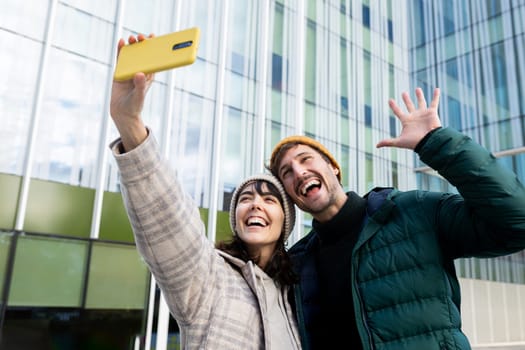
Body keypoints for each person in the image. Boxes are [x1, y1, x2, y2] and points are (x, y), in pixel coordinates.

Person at [267, 87, 525, 350]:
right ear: (289, 193)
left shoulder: (413, 211)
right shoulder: (297, 264)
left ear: (333, 166)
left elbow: (517, 223)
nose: (299, 172)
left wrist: (437, 142)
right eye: (287, 172)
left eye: (305, 159)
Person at [108, 34, 302, 349]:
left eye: (269, 199)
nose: (255, 205)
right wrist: (128, 122)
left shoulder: (299, 298)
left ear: (286, 222)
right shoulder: (209, 276)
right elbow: (168, 218)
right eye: (245, 198)